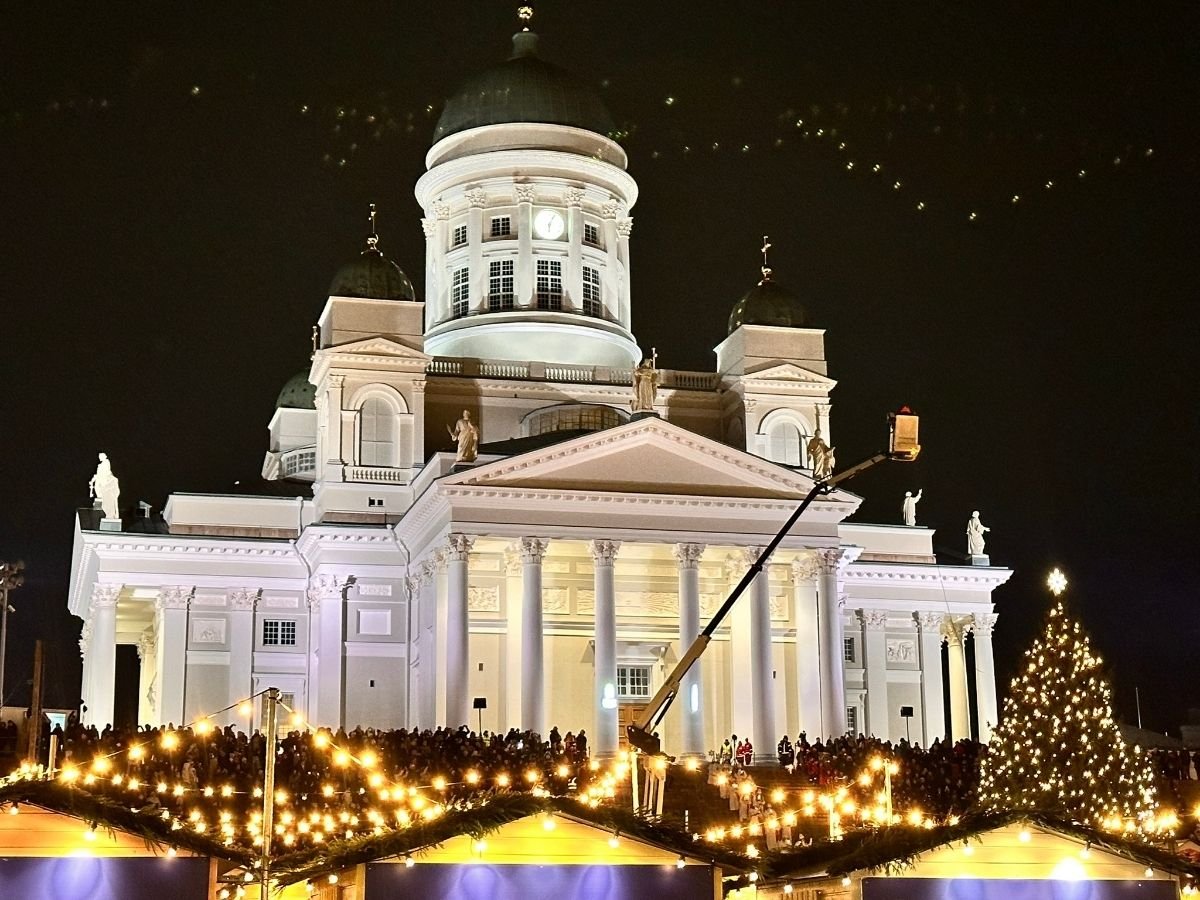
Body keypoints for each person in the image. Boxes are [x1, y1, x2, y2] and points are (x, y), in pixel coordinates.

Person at [89, 452, 121, 519]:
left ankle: (111, 515)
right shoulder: (100, 465)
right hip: (102, 483)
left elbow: (104, 473)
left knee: (107, 503)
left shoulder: (106, 463)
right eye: (99, 457)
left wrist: (97, 478)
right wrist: (92, 480)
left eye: (101, 456)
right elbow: (98, 474)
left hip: (106, 485)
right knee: (103, 500)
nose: (99, 458)